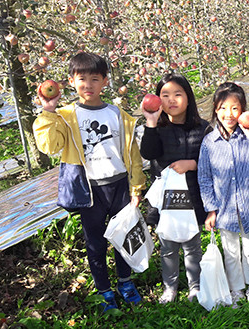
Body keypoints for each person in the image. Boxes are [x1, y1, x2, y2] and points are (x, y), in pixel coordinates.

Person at [33, 52, 146, 311]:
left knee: (123, 237)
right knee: (95, 243)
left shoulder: (118, 115)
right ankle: (104, 290)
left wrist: (136, 187)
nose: (88, 85)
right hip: (89, 190)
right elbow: (50, 146)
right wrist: (48, 112)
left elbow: (133, 155)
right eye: (82, 78)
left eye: (95, 79)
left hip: (118, 185)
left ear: (105, 81)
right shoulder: (65, 116)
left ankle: (125, 282)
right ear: (71, 81)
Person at [139, 73, 209, 304]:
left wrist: (192, 164)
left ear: (189, 98)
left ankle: (195, 286)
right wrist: (150, 120)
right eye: (165, 95)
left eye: (178, 94)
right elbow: (148, 153)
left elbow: (212, 160)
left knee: (192, 246)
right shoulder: (156, 128)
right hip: (167, 202)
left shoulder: (203, 129)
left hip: (193, 197)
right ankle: (170, 287)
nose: (172, 100)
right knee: (168, 246)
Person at [197, 82, 249, 308]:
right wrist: (211, 209)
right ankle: (237, 289)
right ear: (216, 110)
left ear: (243, 110)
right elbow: (205, 178)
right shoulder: (209, 142)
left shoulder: (248, 137)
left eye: (235, 108)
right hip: (225, 209)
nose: (229, 114)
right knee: (231, 252)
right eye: (224, 108)